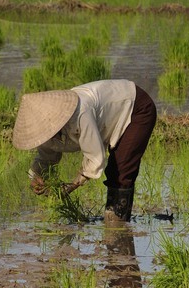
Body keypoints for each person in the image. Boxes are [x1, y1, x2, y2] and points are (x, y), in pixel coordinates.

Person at [12, 80, 158, 222]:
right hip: (112, 114)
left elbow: (96, 157)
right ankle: (115, 222)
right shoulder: (45, 132)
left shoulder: (80, 114)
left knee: (121, 170)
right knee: (117, 170)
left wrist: (73, 185)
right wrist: (36, 177)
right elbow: (46, 157)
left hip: (136, 107)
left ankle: (117, 223)